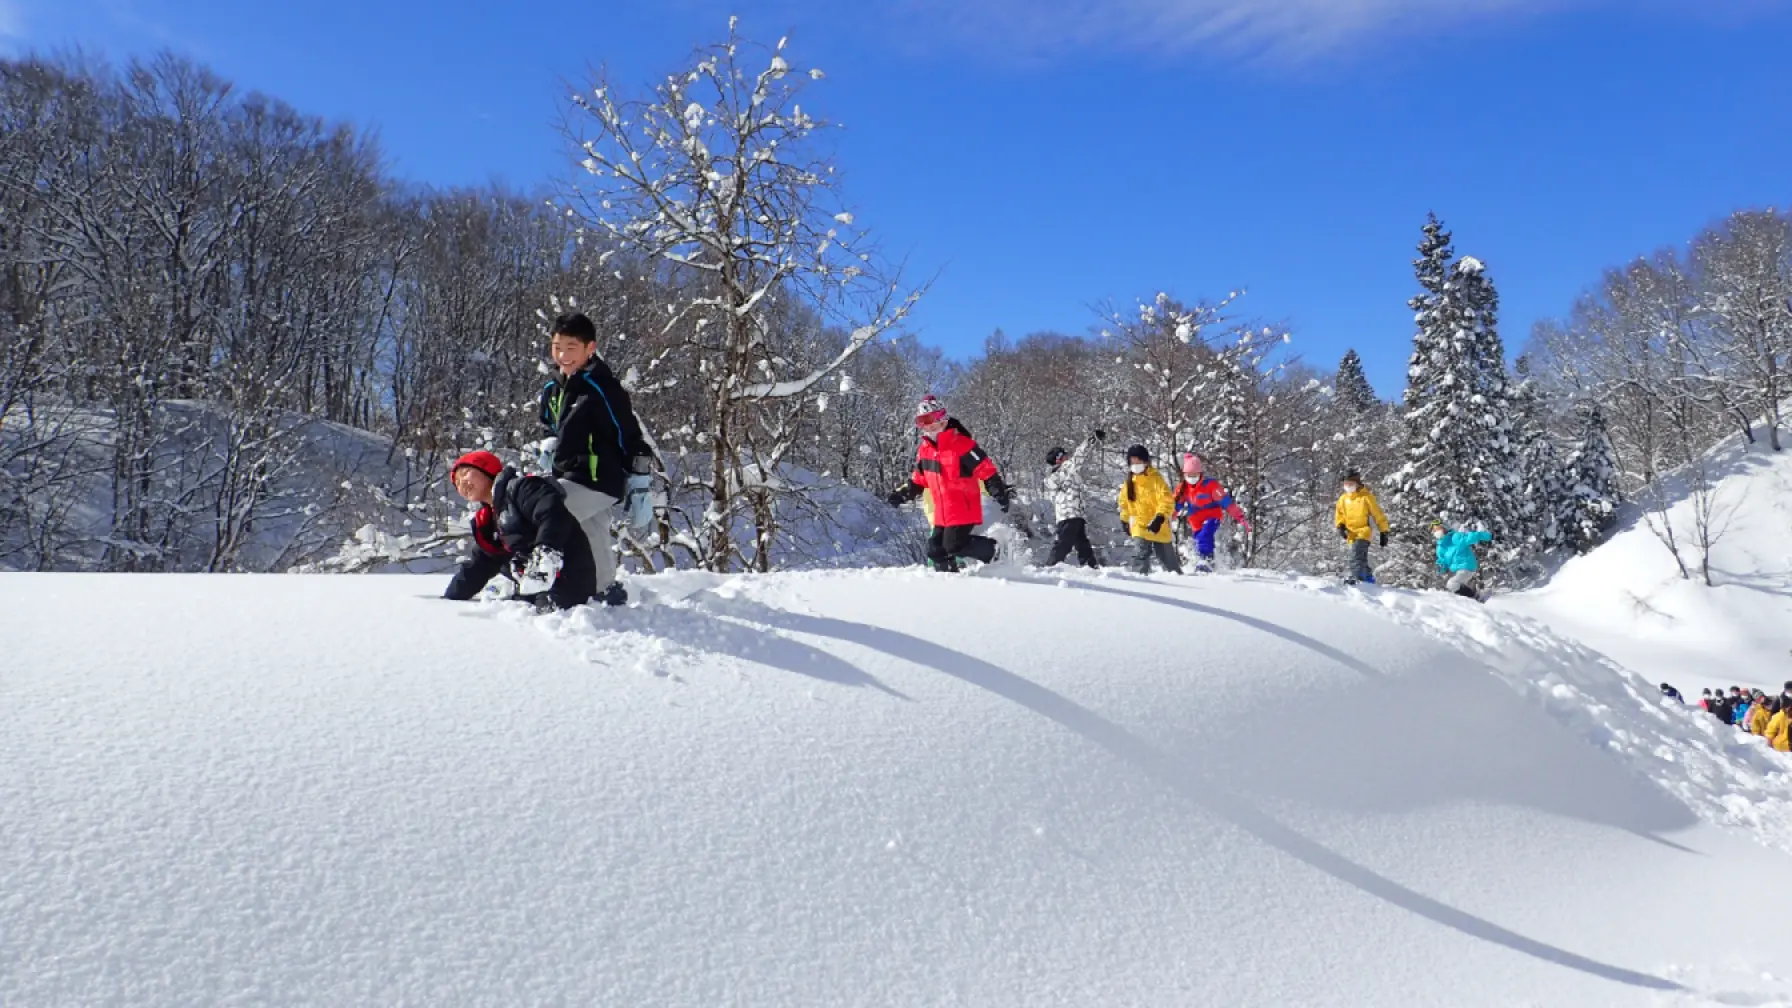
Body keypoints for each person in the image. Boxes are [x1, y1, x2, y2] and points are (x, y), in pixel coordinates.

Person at [538, 312, 652, 608]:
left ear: (590, 348)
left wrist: (640, 481)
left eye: (571, 348)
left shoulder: (603, 388)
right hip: (568, 475)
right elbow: (553, 426)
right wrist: (551, 445)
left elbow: (628, 434)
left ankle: (534, 583)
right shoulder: (553, 389)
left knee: (546, 514)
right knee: (593, 531)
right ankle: (606, 590)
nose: (562, 355)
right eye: (556, 347)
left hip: (600, 480)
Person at [442, 450, 599, 611]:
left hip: (566, 580)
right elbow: (479, 565)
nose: (462, 483)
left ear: (486, 468)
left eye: (466, 473)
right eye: (457, 483)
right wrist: (448, 601)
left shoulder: (522, 488)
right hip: (532, 588)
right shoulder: (489, 520)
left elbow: (552, 515)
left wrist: (546, 552)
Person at [886, 395, 1014, 573]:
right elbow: (919, 480)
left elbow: (986, 470)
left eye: (932, 419)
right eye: (923, 421)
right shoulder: (925, 451)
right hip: (942, 511)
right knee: (935, 550)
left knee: (953, 545)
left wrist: (999, 492)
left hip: (963, 508)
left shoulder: (962, 445)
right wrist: (902, 494)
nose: (929, 425)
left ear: (943, 419)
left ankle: (995, 550)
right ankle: (949, 580)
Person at [1173, 454, 1251, 573]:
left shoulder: (1210, 486)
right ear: (1185, 475)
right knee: (1199, 541)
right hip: (1195, 521)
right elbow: (1175, 505)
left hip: (1212, 516)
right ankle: (1209, 562)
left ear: (1200, 474)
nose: (1192, 478)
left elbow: (1226, 502)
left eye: (1195, 475)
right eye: (1189, 475)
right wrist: (1168, 516)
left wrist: (1239, 516)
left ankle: (1205, 562)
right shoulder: (1183, 488)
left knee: (1205, 536)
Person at [1042, 431, 1104, 569]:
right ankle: (1050, 567)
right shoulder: (1065, 470)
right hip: (1070, 514)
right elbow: (1079, 457)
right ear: (1059, 459)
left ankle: (1091, 566)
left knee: (1082, 543)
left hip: (1073, 514)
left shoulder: (1056, 476)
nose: (1068, 457)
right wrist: (1091, 440)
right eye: (1065, 456)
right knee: (1064, 543)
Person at [1118, 444, 1181, 575]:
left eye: (1138, 461)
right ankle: (1140, 582)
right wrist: (1124, 519)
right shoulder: (1130, 482)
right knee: (1140, 555)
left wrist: (1160, 517)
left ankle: (1178, 580)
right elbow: (1124, 503)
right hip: (1140, 526)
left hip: (1158, 525)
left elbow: (1167, 500)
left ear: (1145, 462)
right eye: (1132, 462)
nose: (1135, 465)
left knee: (1168, 561)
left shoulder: (1156, 479)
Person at [1334, 471, 1390, 584]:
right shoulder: (1343, 499)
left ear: (1357, 483)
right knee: (1361, 558)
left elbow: (1378, 514)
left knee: (1355, 555)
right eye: (1346, 483)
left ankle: (1356, 578)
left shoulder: (1366, 497)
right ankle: (1369, 579)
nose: (1347, 486)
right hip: (1351, 533)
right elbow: (1339, 513)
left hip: (1364, 532)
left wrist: (1384, 531)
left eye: (1350, 483)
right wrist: (1340, 525)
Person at [1430, 519, 1492, 599]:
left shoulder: (1455, 537)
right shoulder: (1440, 547)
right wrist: (1440, 567)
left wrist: (1487, 536)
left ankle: (1476, 597)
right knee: (1452, 587)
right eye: (1434, 530)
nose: (1436, 532)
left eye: (1438, 529)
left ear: (1444, 528)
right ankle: (1472, 597)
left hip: (1467, 565)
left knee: (1452, 584)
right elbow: (1443, 561)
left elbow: (1471, 537)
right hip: (1457, 570)